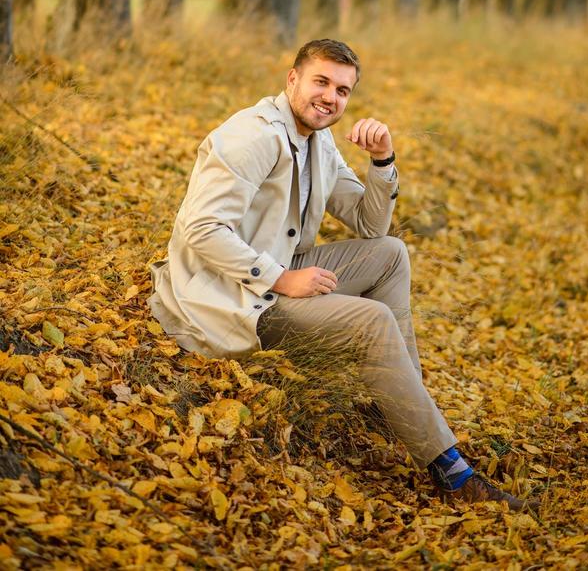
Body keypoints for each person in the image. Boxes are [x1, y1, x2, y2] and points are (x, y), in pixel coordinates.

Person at [149, 38, 530, 510]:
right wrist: (281, 279)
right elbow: (200, 228)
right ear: (292, 79)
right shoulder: (254, 136)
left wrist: (383, 161)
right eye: (321, 82)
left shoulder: (318, 139)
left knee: (391, 253)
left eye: (343, 90)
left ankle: (404, 407)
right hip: (226, 298)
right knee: (373, 321)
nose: (331, 97)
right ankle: (451, 472)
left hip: (273, 275)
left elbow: (371, 225)